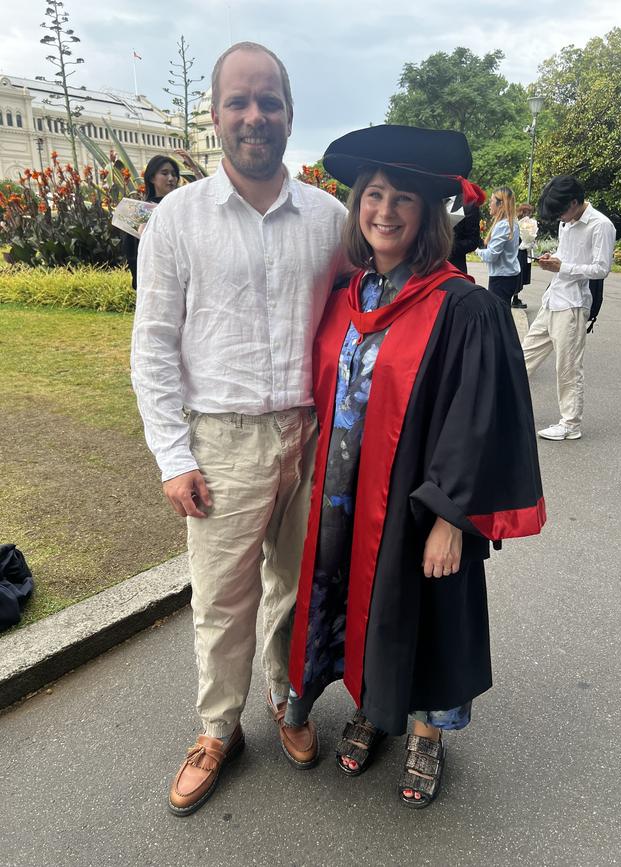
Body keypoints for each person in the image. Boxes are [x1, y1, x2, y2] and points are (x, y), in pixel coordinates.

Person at [283, 125, 545, 809]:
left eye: (404, 198)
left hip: (421, 505)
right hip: (348, 497)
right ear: (357, 206)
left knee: (426, 613)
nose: (385, 210)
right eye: (373, 194)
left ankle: (426, 732)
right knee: (367, 606)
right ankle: (376, 707)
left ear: (429, 215)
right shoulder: (351, 294)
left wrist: (452, 518)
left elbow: (478, 421)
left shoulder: (464, 308)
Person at [130, 42, 348, 816]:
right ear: (215, 114)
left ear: (290, 113)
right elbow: (152, 343)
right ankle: (217, 728)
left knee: (294, 583)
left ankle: (284, 696)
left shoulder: (331, 219)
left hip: (311, 432)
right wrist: (171, 455)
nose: (255, 116)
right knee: (223, 599)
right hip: (221, 440)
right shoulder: (179, 220)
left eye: (270, 101)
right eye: (239, 102)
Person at [522, 175, 616, 441]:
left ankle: (571, 424)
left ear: (575, 202)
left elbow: (601, 269)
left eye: (562, 212)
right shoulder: (568, 223)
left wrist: (563, 266)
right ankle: (504, 406)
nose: (561, 219)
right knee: (523, 357)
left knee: (567, 367)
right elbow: (566, 254)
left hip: (573, 305)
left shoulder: (601, 225)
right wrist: (554, 259)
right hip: (553, 299)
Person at [122, 155, 180, 289]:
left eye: (174, 174)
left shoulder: (182, 207)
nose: (171, 178)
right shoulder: (141, 211)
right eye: (164, 173)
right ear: (152, 177)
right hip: (154, 282)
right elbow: (131, 251)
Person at [476, 186, 520, 305]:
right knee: (504, 314)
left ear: (500, 204)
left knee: (499, 317)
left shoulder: (502, 226)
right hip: (509, 277)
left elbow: (491, 256)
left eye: (491, 201)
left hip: (501, 279)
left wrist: (477, 251)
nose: (489, 204)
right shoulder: (512, 224)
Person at [511, 202, 538, 309]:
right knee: (518, 275)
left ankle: (515, 298)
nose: (530, 215)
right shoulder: (517, 223)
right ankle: (514, 298)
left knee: (520, 275)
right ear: (523, 212)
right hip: (519, 252)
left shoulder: (521, 223)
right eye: (528, 212)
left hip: (523, 252)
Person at [447, 193, 481, 273]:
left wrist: (446, 247)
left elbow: (473, 241)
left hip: (454, 269)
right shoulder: (430, 198)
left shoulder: (467, 204)